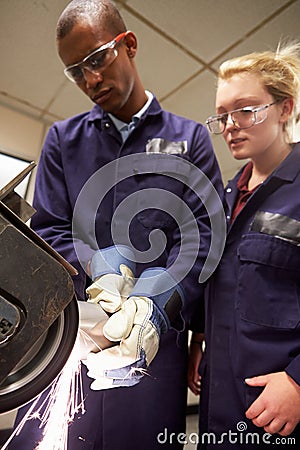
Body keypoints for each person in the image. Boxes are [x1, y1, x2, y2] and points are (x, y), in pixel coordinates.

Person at [10, 1, 225, 449]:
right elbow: (48, 230)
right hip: (75, 333)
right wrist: (98, 267)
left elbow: (202, 237)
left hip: (154, 340)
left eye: (96, 59)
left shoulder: (190, 139)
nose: (90, 80)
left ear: (129, 44)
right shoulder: (62, 141)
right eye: (75, 72)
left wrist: (154, 300)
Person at [188, 41, 300, 449]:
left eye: (245, 109)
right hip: (219, 402)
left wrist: (297, 382)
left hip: (278, 410)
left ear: (285, 108)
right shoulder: (224, 196)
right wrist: (198, 341)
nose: (230, 124)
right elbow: (216, 280)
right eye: (221, 116)